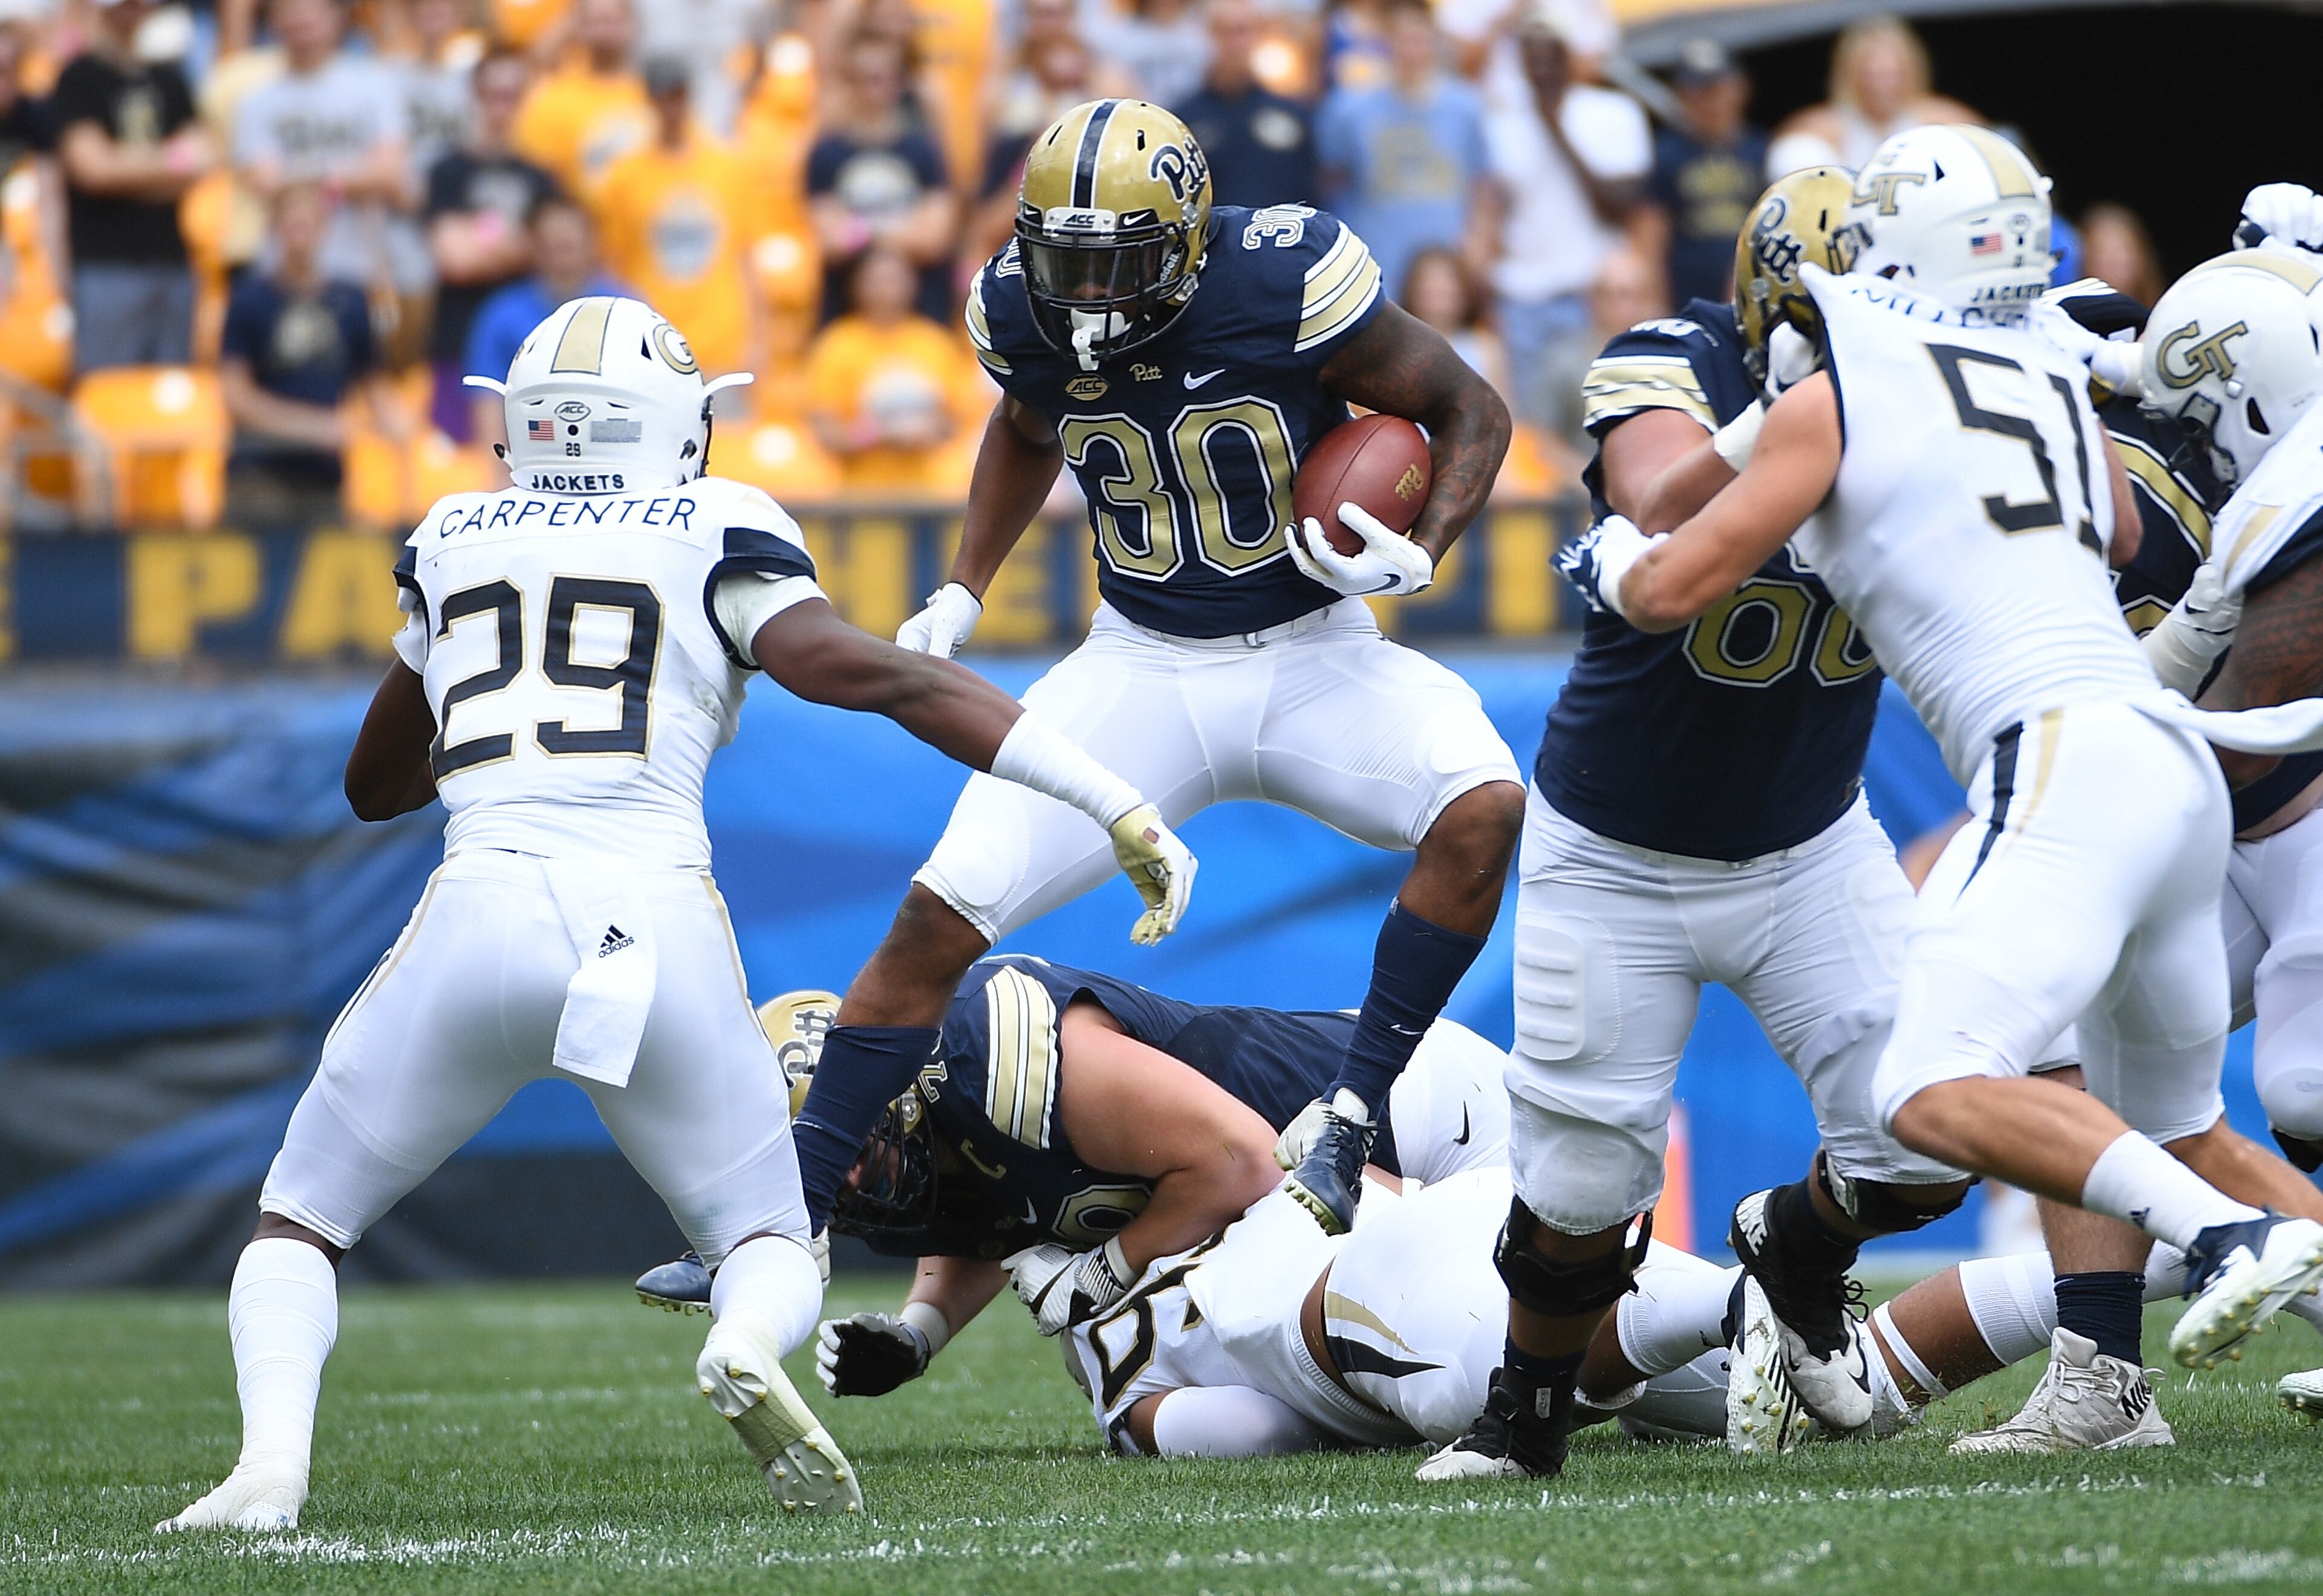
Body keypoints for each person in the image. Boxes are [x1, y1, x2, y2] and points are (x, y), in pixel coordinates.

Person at [154, 292, 1192, 1533]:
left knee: (301, 1217)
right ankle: (745, 1344)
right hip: (646, 925)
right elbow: (877, 675)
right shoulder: (716, 522)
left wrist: (502, 696)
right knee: (766, 1233)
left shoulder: (454, 534)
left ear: (524, 426)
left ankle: (267, 1471)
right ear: (677, 425)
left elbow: (374, 786)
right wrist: (1110, 796)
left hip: (474, 913)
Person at [1546, 125, 2323, 1483]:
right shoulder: (2047, 377)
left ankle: (2224, 1238)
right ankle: (2232, 1222)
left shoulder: (1836, 400)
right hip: (2172, 761)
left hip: (2062, 759)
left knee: (1927, 1084)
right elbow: (2127, 537)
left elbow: (1673, 585)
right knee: (2180, 1120)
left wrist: (1603, 566)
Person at [792, 99, 1521, 1298]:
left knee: (1484, 806)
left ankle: (1346, 1117)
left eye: (1113, 261)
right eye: (1061, 258)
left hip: (1311, 650)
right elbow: (1028, 421)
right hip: (1139, 662)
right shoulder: (1020, 307)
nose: (1082, 292)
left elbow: (1470, 410)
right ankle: (788, 1213)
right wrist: (965, 586)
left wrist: (1427, 543)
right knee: (938, 915)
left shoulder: (1283, 276)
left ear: (1188, 235)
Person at [1413, 167, 1985, 1482]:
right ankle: (1528, 1416)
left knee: (1933, 1133)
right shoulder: (1673, 361)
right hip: (1617, 849)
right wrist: (1797, 424)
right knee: (1577, 1190)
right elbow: (1661, 497)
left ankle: (1797, 1241)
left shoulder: (1958, 407)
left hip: (1809, 840)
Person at [1062, 1163, 2323, 1460]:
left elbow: (1243, 1430)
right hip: (1471, 1224)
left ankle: (1743, 1292)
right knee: (1857, 1395)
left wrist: (1131, 1417)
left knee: (1472, 1399)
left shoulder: (1133, 1343)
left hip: (1375, 1308)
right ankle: (2185, 1257)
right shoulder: (1259, 1179)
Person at [635, 958, 1508, 1367]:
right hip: (1338, 1193)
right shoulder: (929, 1128)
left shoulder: (993, 1054)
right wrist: (919, 1335)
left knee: (1548, 1335)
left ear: (897, 1090)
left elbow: (1237, 1161)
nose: (851, 1179)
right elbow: (989, 1210)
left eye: (852, 1147)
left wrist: (1102, 1272)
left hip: (1419, 1111)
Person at [1475, 9, 1649, 431]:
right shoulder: (1500, 123)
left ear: (1569, 56)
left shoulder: (1612, 112)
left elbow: (1622, 205)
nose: (1541, 67)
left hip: (1596, 295)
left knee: (1604, 421)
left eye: (1550, 55)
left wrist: (1555, 126)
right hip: (1523, 298)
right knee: (1534, 428)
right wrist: (1485, 295)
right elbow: (1488, 216)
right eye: (1530, 57)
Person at [233, 0, 430, 361]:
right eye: (290, 10)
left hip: (363, 266)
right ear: (274, 22)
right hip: (284, 272)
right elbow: (262, 182)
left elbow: (391, 172)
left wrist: (305, 176)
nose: (302, 19)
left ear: (337, 18)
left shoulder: (373, 83)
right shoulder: (257, 99)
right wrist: (348, 176)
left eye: (314, 9)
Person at [219, 182, 408, 526]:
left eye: (308, 225)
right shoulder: (248, 299)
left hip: (325, 476)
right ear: (274, 228)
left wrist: (395, 423)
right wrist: (315, 428)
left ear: (326, 227)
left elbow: (373, 381)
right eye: (292, 225)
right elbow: (237, 398)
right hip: (258, 472)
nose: (300, 237)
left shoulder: (351, 301)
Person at [51, 0, 211, 371]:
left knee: (171, 397)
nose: (130, 9)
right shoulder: (78, 77)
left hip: (171, 262)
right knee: (107, 398)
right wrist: (173, 163)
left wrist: (125, 169)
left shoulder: (170, 77)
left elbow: (205, 157)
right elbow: (93, 169)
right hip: (105, 265)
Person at [1314, 0, 1490, 317]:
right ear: (1386, 42)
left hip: (1445, 274)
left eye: (1420, 39)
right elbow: (1329, 182)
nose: (1412, 50)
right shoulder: (1348, 109)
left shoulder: (1466, 108)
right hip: (1376, 266)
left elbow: (1481, 186)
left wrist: (1477, 245)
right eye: (1403, 39)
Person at [591, 56, 760, 383]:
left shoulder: (727, 167)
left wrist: (757, 342)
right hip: (651, 348)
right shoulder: (624, 177)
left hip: (722, 343)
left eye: (677, 96)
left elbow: (745, 258)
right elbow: (614, 264)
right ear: (650, 102)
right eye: (662, 98)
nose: (671, 108)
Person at [424, 44, 558, 439]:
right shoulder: (447, 171)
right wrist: (516, 241)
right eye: (493, 93)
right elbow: (454, 258)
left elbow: (549, 253)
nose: (503, 105)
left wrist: (480, 234)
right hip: (457, 339)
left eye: (513, 94)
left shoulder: (541, 179)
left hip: (525, 346)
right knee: (459, 469)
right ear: (475, 96)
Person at [805, 28, 955, 326]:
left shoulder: (923, 150)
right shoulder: (827, 153)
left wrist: (860, 231)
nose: (871, 88)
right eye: (861, 77)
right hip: (844, 312)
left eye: (880, 77)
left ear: (899, 83)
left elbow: (935, 238)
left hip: (920, 310)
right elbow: (831, 242)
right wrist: (903, 231)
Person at [803, 245, 980, 493]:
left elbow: (961, 421)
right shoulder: (837, 345)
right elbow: (824, 429)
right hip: (861, 494)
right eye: (876, 280)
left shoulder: (935, 343)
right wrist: (875, 434)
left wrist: (927, 430)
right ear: (856, 285)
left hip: (931, 492)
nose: (886, 290)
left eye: (895, 279)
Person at [463, 194, 622, 467]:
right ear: (535, 248)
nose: (563, 258)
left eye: (570, 246)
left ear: (592, 245)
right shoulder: (501, 314)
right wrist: (497, 469)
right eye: (554, 247)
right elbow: (488, 396)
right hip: (529, 461)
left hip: (611, 456)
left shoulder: (625, 312)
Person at [1764, 13, 1979, 178]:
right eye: (1871, 75)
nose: (1882, 87)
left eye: (1893, 75)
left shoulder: (1945, 121)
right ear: (1849, 75)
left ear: (1913, 72)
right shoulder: (1822, 128)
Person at [1642, 38, 1766, 309]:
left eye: (1717, 88)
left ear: (1740, 88)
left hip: (1751, 298)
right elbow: (1652, 234)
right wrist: (1655, 305)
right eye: (1698, 91)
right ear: (1682, 95)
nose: (1709, 101)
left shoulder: (1761, 151)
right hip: (1687, 301)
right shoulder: (1667, 155)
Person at [1174, 0, 1315, 211]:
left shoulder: (1292, 115)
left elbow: (1312, 193)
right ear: (1206, 37)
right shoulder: (1182, 122)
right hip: (1213, 241)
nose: (1236, 43)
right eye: (1225, 32)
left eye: (1245, 31)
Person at [512, 0, 650, 203]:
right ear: (577, 28)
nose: (605, 31)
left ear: (633, 24)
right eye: (596, 21)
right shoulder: (554, 99)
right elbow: (538, 176)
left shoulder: (655, 95)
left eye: (613, 20)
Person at [1401, 247, 1509, 407]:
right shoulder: (1399, 348)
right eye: (1430, 291)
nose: (1438, 299)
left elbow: (1504, 410)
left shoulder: (1486, 348)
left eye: (1445, 291)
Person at [2080, 202, 2165, 307]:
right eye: (2100, 252)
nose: (2112, 261)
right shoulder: (2064, 319)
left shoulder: (2163, 314)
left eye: (2121, 250)